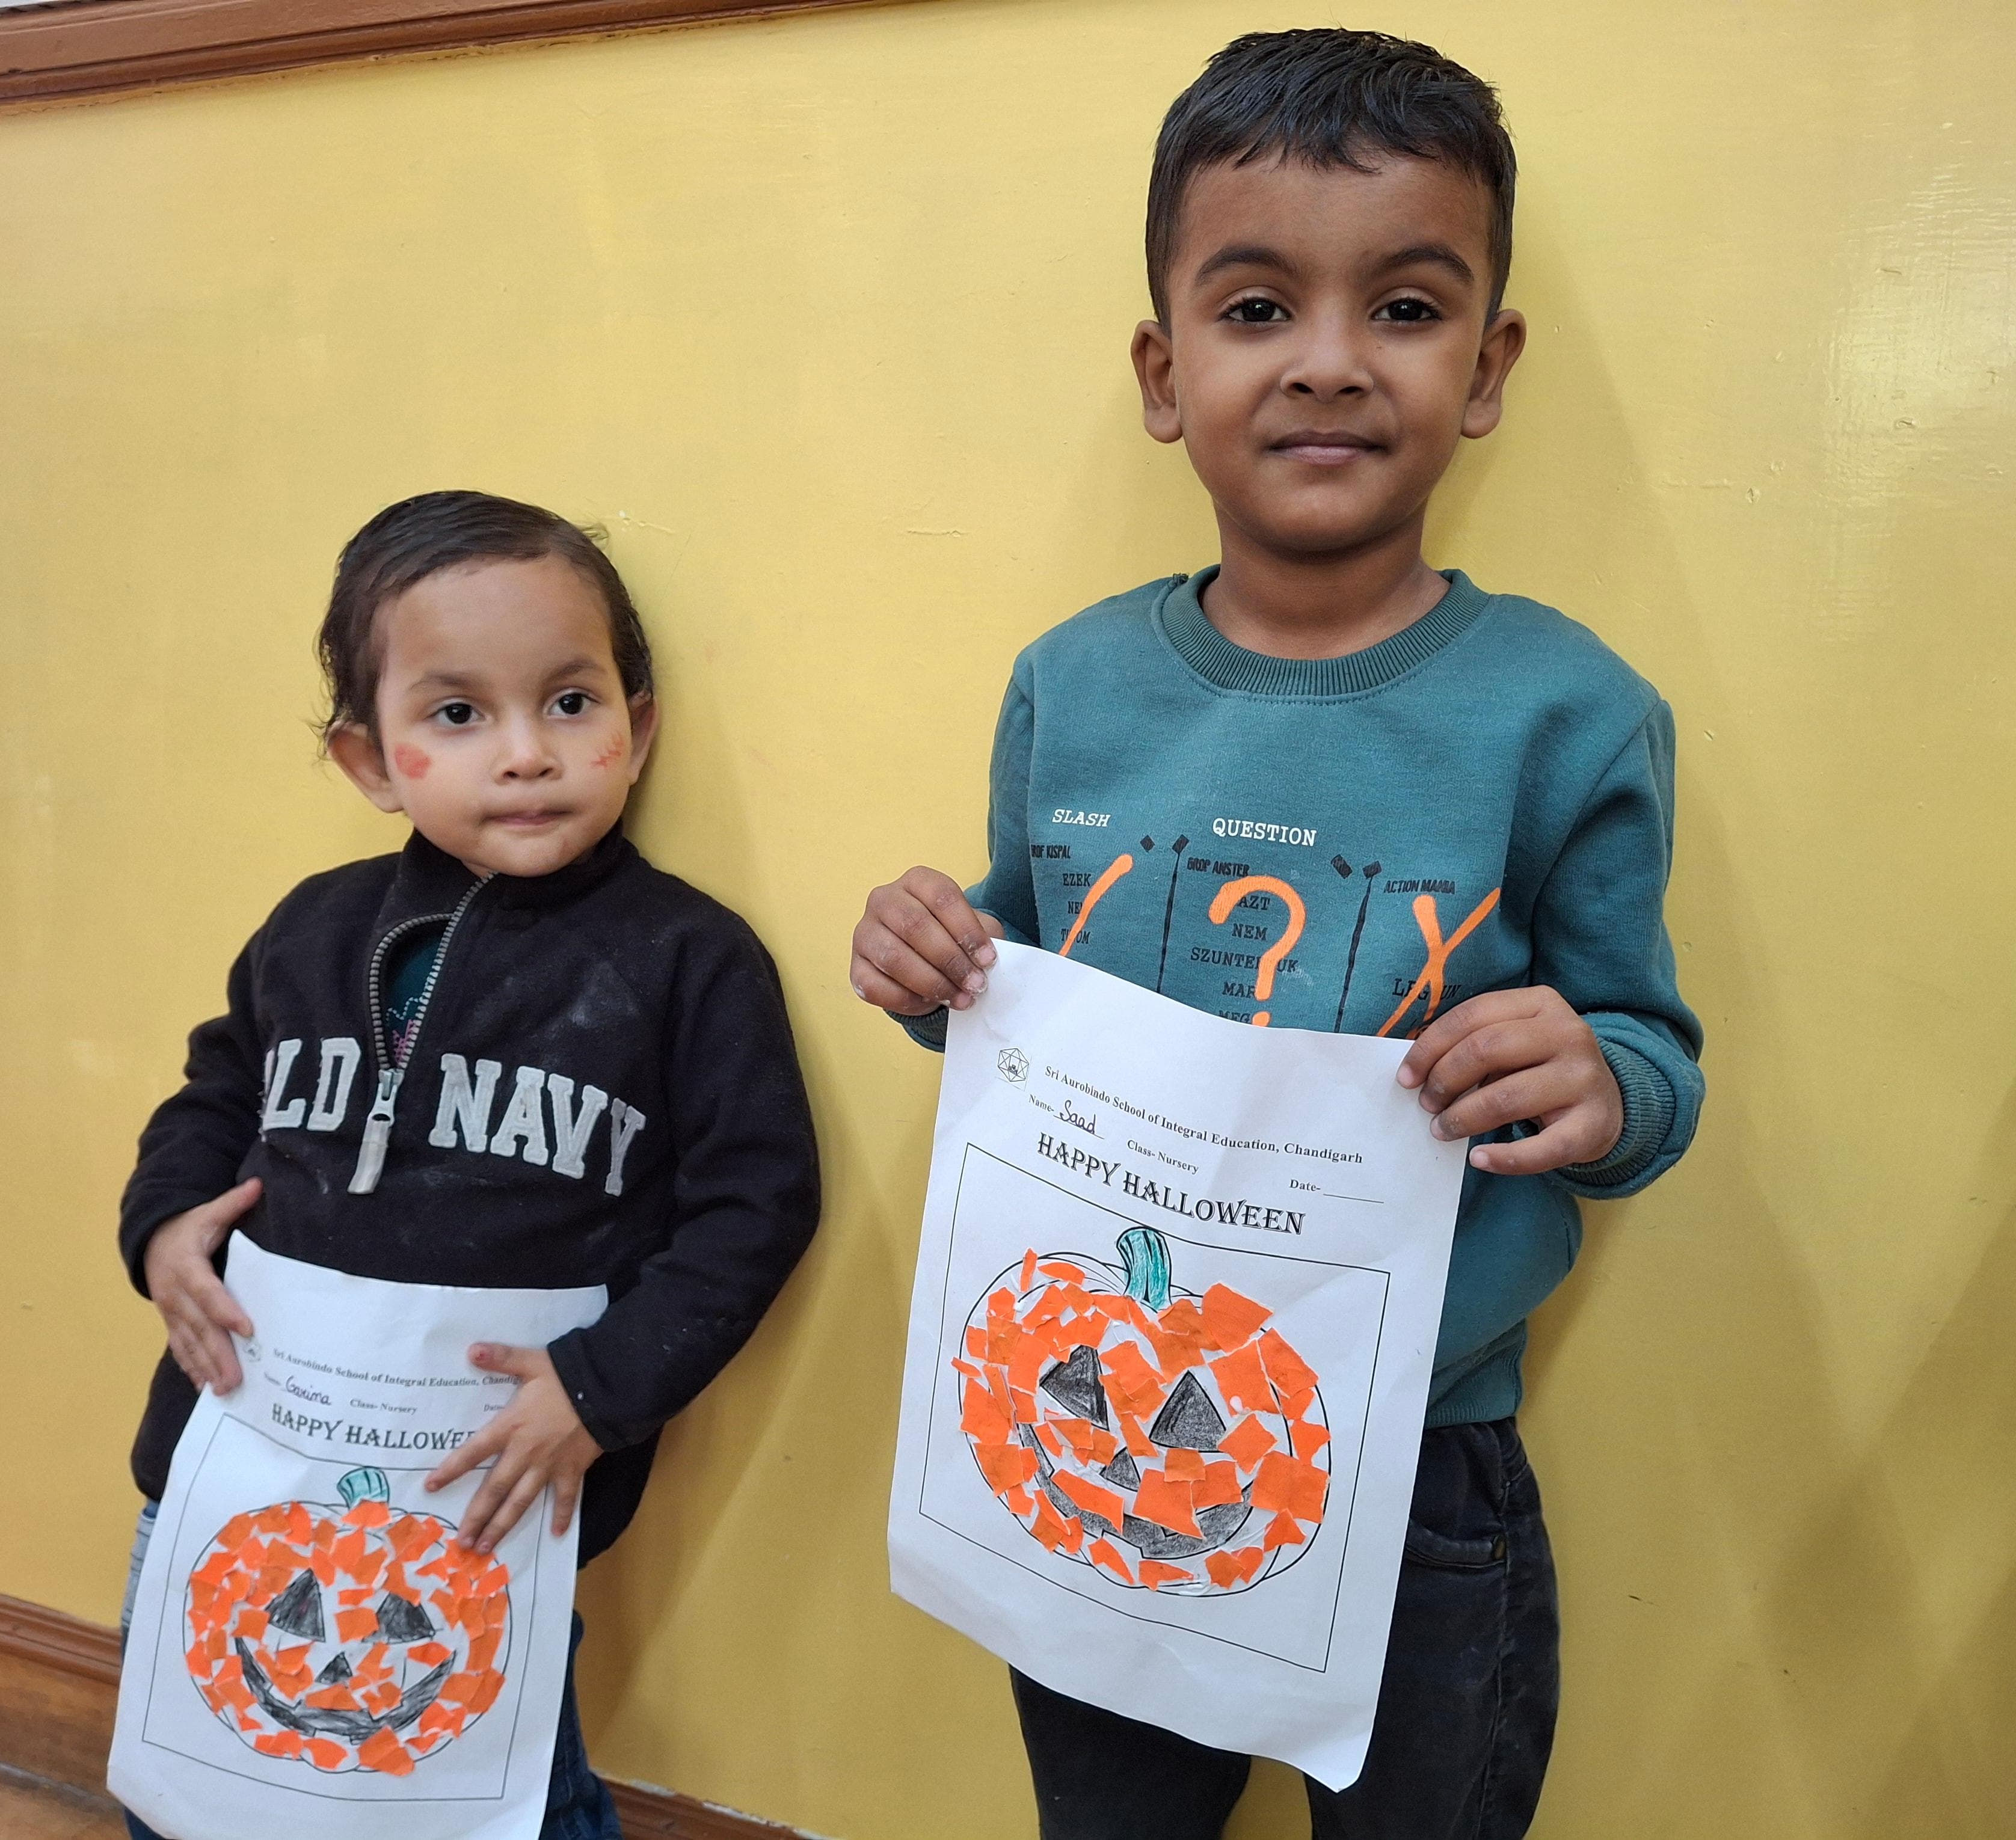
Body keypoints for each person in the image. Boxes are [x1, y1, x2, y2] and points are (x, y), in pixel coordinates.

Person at [850, 28, 1703, 1840]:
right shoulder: (1071, 684)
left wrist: (1597, 1082)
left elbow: (1650, 1064)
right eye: (1255, 308)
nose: (1327, 360)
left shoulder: (1567, 714)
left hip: (1414, 1460)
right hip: (1091, 1422)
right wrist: (936, 966)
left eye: (1404, 306)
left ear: (1488, 367)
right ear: (1164, 373)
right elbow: (1017, 983)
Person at [117, 489, 821, 1839]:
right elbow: (213, 1094)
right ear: (368, 761)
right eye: (457, 714)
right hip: (236, 1470)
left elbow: (757, 1205)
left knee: (498, 1802)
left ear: (639, 729)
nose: (525, 754)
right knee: (196, 1784)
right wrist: (162, 1231)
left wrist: (601, 1392)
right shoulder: (310, 931)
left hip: (486, 1515)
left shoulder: (689, 961)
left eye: (570, 702)